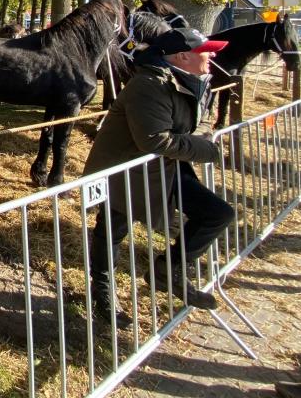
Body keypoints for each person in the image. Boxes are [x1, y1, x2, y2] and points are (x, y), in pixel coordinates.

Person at [83, 26, 236, 327]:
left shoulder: (190, 81)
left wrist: (201, 141)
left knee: (218, 213)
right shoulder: (149, 85)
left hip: (163, 168)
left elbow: (195, 126)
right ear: (181, 56)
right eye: (205, 52)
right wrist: (208, 150)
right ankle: (102, 293)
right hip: (124, 170)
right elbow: (154, 139)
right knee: (113, 230)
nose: (211, 57)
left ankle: (169, 269)